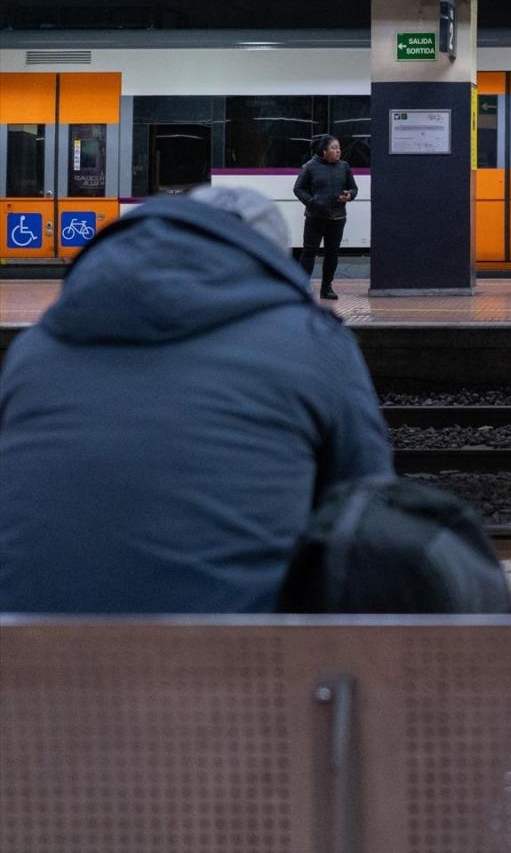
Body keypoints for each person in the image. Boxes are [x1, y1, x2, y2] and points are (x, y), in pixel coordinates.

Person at [0, 186, 394, 614]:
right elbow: (368, 508)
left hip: (26, 657)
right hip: (241, 661)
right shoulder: (314, 342)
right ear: (267, 263)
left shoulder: (35, 348)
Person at [292, 133, 358, 300]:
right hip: (315, 217)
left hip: (337, 218)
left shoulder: (344, 167)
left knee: (332, 253)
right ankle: (303, 287)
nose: (338, 151)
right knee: (309, 252)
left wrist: (349, 195)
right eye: (334, 148)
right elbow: (298, 189)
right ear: (323, 151)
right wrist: (312, 202)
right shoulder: (310, 167)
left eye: (339, 148)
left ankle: (326, 288)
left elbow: (354, 189)